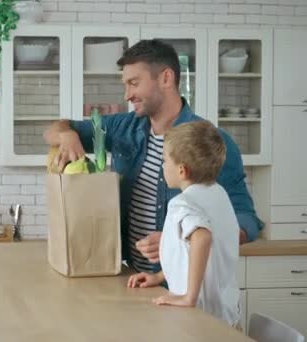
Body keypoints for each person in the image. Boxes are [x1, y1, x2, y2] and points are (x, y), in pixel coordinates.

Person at [43, 39, 262, 273]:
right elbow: (52, 130)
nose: (127, 95)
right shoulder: (121, 128)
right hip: (131, 275)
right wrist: (67, 135)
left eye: (134, 83)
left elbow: (245, 221)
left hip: (183, 284)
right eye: (125, 85)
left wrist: (181, 240)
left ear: (166, 78)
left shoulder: (210, 141)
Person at [128, 121, 241, 328]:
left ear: (182, 171)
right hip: (226, 314)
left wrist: (189, 297)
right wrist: (159, 276)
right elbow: (186, 253)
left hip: (198, 317)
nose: (162, 166)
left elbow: (202, 237)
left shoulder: (182, 204)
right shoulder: (218, 194)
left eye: (164, 161)